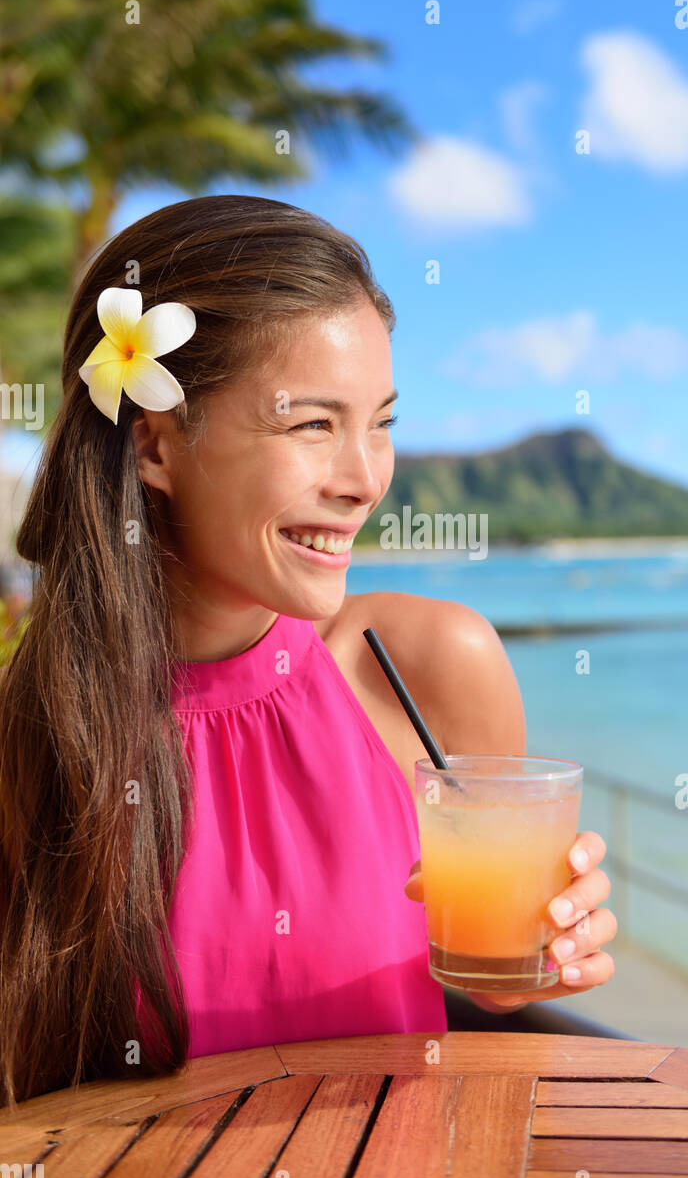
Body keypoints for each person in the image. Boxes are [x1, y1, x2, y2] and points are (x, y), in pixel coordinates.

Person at [0, 195, 616, 1107]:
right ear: (156, 447)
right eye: (312, 425)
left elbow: (486, 985)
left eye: (383, 422)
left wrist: (530, 963)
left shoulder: (430, 666)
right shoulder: (33, 736)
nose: (364, 479)